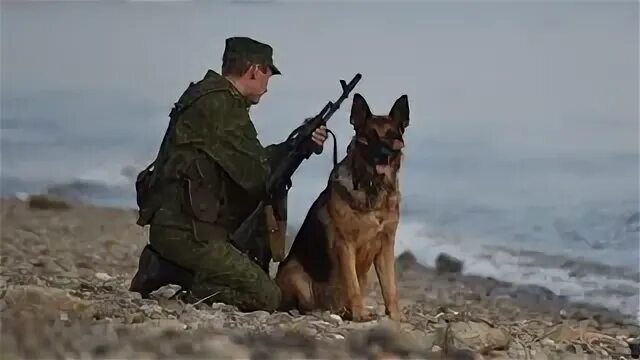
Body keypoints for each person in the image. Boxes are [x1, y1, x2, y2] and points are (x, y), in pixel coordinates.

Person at [128, 36, 328, 312]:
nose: (268, 84)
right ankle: (169, 274)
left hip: (181, 225)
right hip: (188, 233)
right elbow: (258, 178)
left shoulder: (209, 97)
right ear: (255, 70)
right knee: (266, 297)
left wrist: (297, 145)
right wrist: (297, 147)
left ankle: (165, 266)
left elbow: (244, 162)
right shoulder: (221, 107)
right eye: (269, 73)